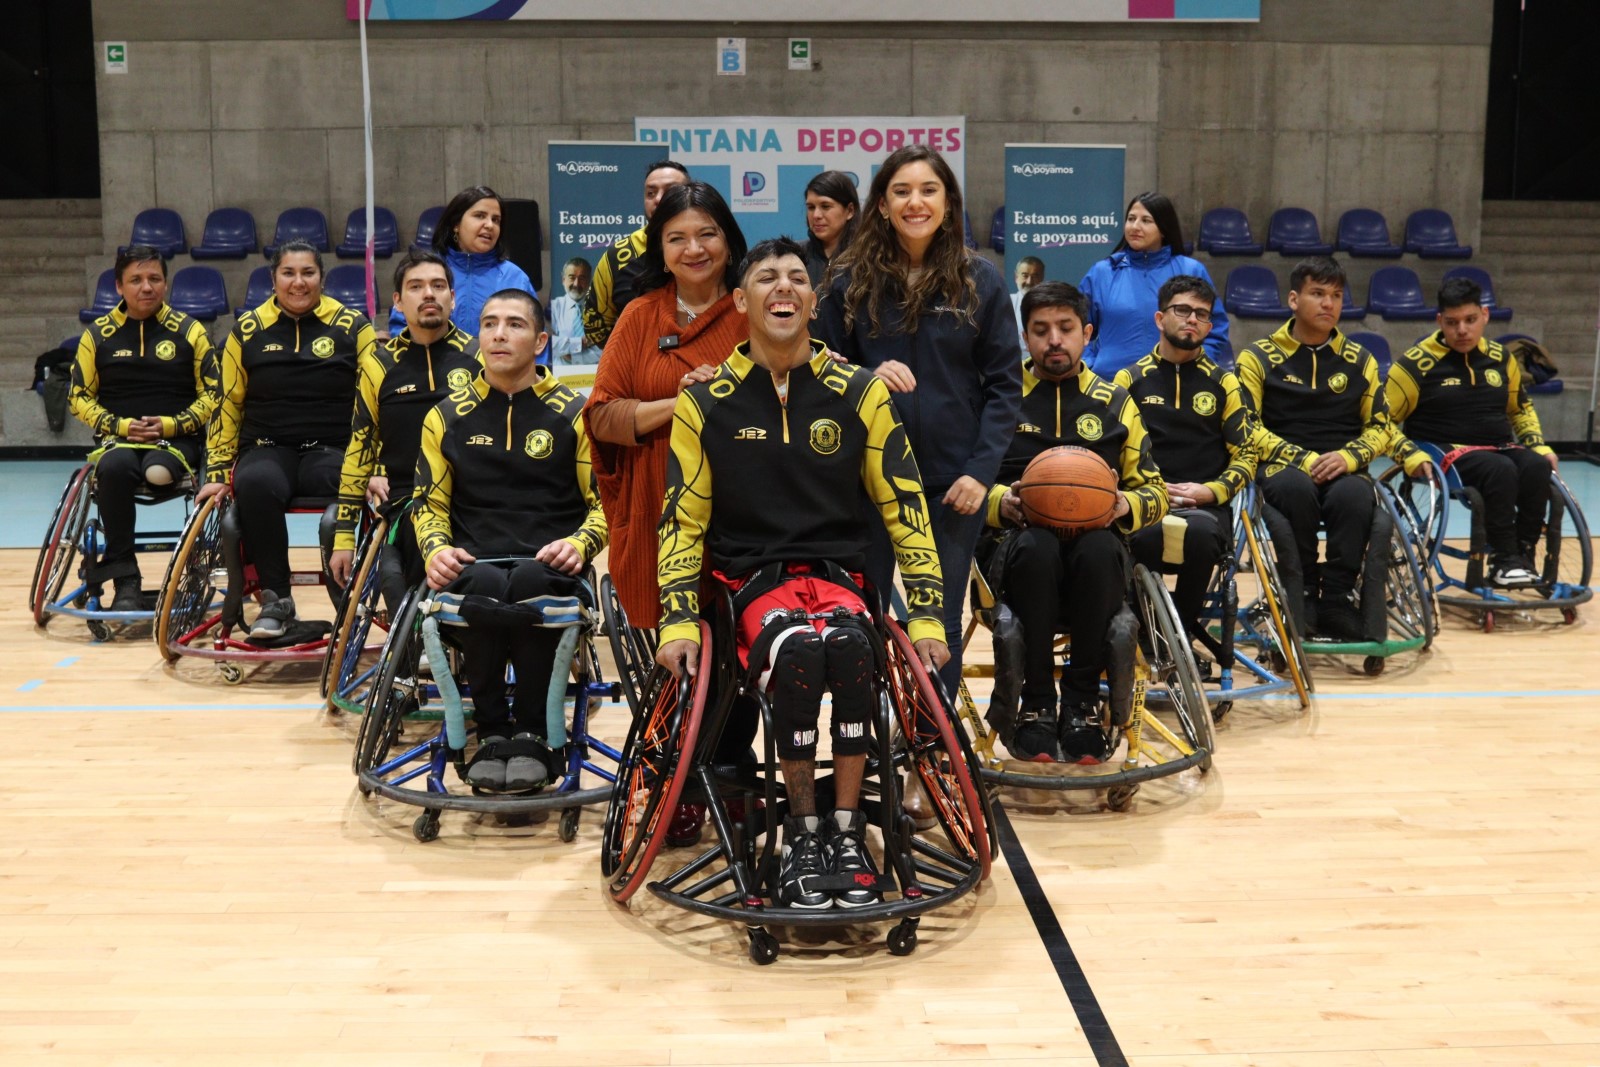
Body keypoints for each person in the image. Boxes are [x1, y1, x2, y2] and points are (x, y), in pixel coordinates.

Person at [655, 237, 946, 910]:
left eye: (796, 278)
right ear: (740, 300)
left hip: (840, 575)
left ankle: (844, 828)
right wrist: (676, 617)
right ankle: (802, 827)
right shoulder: (704, 401)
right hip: (750, 582)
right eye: (766, 278)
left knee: (846, 645)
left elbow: (906, 507)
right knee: (795, 650)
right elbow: (683, 521)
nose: (783, 288)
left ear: (814, 300)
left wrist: (927, 611)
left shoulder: (861, 392)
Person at [812, 144, 1022, 693]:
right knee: (867, 615)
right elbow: (819, 373)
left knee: (940, 622)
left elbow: (1005, 385)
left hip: (954, 484)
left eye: (928, 190)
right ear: (881, 205)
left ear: (948, 203)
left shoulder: (982, 280)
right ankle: (880, 735)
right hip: (869, 481)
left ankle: (935, 747)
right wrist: (866, 376)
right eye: (901, 191)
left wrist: (980, 473)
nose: (915, 202)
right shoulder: (845, 281)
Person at [583, 181, 749, 847]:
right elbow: (601, 415)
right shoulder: (639, 316)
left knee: (739, 660)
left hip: (740, 511)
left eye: (706, 232)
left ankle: (731, 781)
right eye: (677, 236)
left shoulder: (754, 308)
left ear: (728, 239)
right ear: (661, 247)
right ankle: (675, 784)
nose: (694, 247)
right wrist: (676, 405)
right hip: (659, 511)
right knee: (679, 664)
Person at [413, 290, 607, 792]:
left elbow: (608, 504)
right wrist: (435, 549)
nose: (500, 334)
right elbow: (428, 504)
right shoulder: (445, 417)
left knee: (527, 579)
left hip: (548, 562)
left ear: (541, 340)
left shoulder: (574, 413)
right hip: (475, 561)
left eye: (515, 325)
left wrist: (582, 544)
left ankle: (534, 729)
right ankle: (494, 729)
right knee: (475, 581)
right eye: (490, 324)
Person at [983, 280, 1167, 764]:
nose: (1054, 340)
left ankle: (1082, 703)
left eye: (1065, 328)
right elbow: (962, 482)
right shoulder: (1000, 398)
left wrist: (1124, 506)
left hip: (1095, 555)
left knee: (1102, 548)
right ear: (1026, 337)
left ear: (1086, 334)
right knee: (1038, 546)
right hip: (1016, 547)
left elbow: (1156, 491)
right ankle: (1039, 704)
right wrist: (1001, 500)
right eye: (1041, 330)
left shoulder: (1115, 402)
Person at [197, 240, 376, 640]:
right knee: (255, 485)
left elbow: (372, 404)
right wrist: (218, 470)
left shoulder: (353, 327)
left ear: (321, 279)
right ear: (273, 278)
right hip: (267, 447)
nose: (299, 283)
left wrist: (375, 466)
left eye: (308, 273)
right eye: (289, 273)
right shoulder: (246, 331)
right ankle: (276, 601)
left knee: (348, 485)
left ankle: (343, 602)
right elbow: (228, 405)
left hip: (332, 449)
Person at [1234, 255, 1392, 640]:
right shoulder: (1257, 357)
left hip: (1342, 463)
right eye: (1317, 294)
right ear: (1293, 299)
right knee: (1294, 489)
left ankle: (1336, 599)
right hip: (1282, 464)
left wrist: (1349, 457)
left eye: (1336, 295)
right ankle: (1301, 594)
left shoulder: (1360, 360)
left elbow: (1381, 427)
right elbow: (1245, 426)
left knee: (1356, 496)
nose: (1328, 304)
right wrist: (1302, 459)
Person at [329, 249, 481, 610]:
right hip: (407, 502)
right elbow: (360, 448)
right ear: (398, 301)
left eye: (438, 285)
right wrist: (343, 537)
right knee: (405, 553)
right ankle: (420, 641)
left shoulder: (480, 356)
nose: (429, 294)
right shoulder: (378, 365)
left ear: (453, 298)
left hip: (474, 499)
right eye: (416, 286)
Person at [68, 246, 216, 611]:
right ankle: (126, 578)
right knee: (115, 470)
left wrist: (170, 425)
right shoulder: (97, 335)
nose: (146, 287)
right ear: (119, 286)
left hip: (177, 440)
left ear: (165, 285)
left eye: (154, 279)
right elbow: (78, 397)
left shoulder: (190, 331)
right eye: (136, 280)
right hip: (119, 440)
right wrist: (118, 425)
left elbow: (215, 394)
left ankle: (188, 570)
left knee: (159, 472)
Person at [1387, 276, 1557, 586]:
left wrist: (1538, 445)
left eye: (1470, 320)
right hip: (1444, 451)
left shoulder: (1501, 358)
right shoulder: (1413, 365)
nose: (1462, 330)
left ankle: (1520, 554)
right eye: (1452, 322)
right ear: (1439, 320)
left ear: (1485, 316)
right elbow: (1382, 422)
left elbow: (1520, 408)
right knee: (1500, 470)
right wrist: (1408, 454)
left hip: (1497, 446)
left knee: (1535, 467)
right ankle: (1504, 560)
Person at [1114, 275, 1258, 641]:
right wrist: (1149, 493)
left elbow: (1247, 456)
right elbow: (1112, 455)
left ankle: (1179, 638)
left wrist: (1211, 491)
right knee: (1139, 538)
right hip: (1146, 501)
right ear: (1160, 318)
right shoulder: (1128, 380)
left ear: (1210, 326)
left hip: (1205, 508)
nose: (1192, 319)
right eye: (1183, 310)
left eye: (1202, 314)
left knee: (1201, 535)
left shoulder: (1225, 383)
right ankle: (1147, 637)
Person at [1078, 193, 1231, 377]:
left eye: (1146, 220)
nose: (1135, 226)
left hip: (1172, 386)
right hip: (1109, 386)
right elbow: (1077, 328)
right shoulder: (1102, 273)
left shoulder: (1191, 270)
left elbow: (1215, 327)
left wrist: (1194, 369)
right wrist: (1090, 366)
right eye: (1131, 219)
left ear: (1163, 228)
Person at [388, 185, 536, 339]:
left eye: (496, 220)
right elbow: (401, 329)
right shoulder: (427, 271)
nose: (490, 225)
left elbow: (533, 336)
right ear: (456, 225)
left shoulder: (516, 278)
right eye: (480, 216)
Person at [582, 160, 691, 349]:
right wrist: (634, 357)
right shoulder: (617, 257)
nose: (658, 198)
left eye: (670, 190)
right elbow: (595, 325)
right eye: (651, 193)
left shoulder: (713, 250)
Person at [801, 170, 859, 287]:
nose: (816, 215)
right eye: (811, 207)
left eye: (825, 206)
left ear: (850, 211)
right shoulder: (796, 255)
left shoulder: (870, 258)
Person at [546, 256, 602, 366]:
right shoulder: (552, 308)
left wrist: (570, 357)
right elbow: (547, 343)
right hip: (561, 378)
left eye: (582, 278)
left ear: (589, 281)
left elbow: (605, 348)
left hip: (594, 376)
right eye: (572, 277)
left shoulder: (601, 309)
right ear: (563, 280)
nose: (576, 284)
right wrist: (581, 342)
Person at [1010, 255, 1044, 344]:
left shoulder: (1051, 306)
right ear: (1016, 277)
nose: (1029, 282)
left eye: (1035, 276)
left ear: (1042, 278)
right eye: (1025, 275)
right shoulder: (1006, 303)